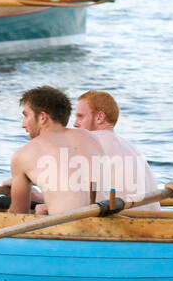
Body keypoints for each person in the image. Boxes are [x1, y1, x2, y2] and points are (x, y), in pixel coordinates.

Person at [8, 86, 104, 215]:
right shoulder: (92, 139)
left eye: (26, 116)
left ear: (43, 117)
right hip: (101, 221)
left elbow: (18, 215)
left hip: (66, 229)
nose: (23, 124)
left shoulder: (23, 155)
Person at [73, 91, 157, 201]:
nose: (75, 123)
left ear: (99, 117)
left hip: (123, 216)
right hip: (150, 214)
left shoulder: (92, 140)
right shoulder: (129, 146)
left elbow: (72, 195)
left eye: (81, 117)